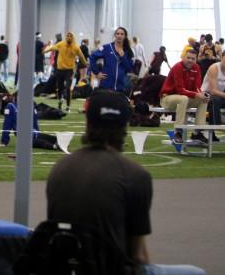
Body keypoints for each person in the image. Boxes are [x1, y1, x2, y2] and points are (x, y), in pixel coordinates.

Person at [46, 90, 206, 275]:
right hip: (112, 268)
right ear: (125, 126)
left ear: (88, 123)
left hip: (65, 267)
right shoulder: (135, 176)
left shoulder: (60, 169)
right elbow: (138, 255)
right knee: (195, 272)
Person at [159, 49, 209, 145]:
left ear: (196, 60)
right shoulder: (177, 67)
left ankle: (197, 132)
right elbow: (180, 90)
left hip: (183, 98)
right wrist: (196, 94)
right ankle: (178, 132)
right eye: (188, 58)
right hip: (167, 98)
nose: (190, 60)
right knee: (184, 98)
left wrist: (202, 95)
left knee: (203, 100)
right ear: (183, 57)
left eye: (193, 59)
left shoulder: (197, 68)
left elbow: (197, 88)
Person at [88, 26, 135, 93]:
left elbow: (129, 69)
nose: (119, 36)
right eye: (117, 33)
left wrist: (123, 57)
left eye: (122, 34)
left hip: (120, 87)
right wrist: (97, 72)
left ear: (125, 36)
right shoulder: (106, 47)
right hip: (106, 86)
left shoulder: (128, 51)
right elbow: (92, 57)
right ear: (115, 35)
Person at [49, 31, 86, 110]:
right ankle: (60, 100)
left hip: (69, 70)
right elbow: (52, 50)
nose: (69, 37)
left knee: (68, 87)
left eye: (70, 36)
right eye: (67, 36)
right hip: (59, 69)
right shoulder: (60, 44)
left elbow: (80, 57)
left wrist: (84, 64)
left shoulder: (75, 47)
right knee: (59, 87)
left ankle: (68, 106)